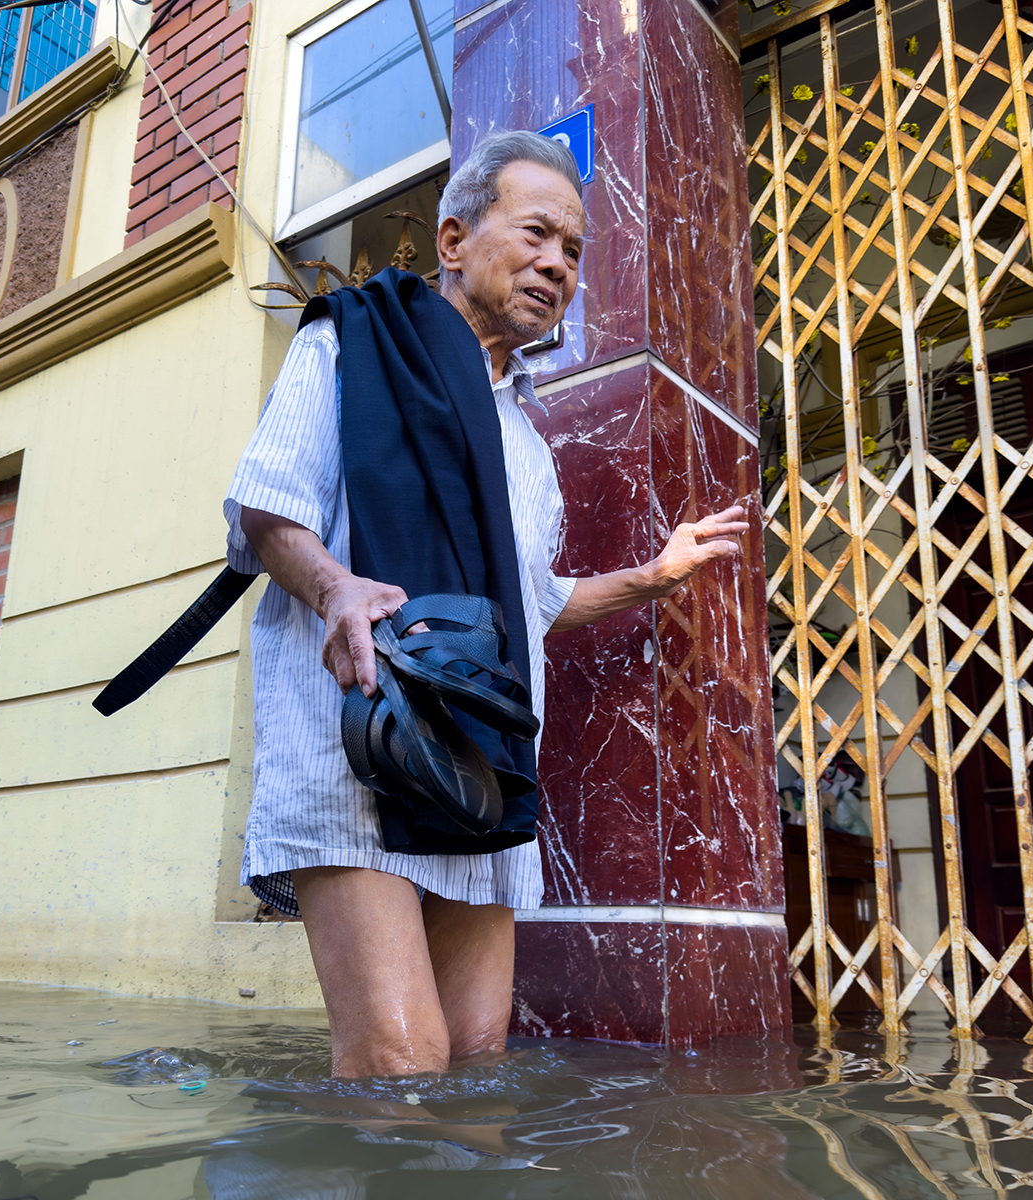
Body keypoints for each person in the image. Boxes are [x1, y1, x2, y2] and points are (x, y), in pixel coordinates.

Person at [225, 130, 749, 1078]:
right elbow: (270, 505)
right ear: (455, 238)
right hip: (360, 741)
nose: (557, 263)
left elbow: (531, 606)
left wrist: (653, 577)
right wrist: (336, 586)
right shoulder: (348, 341)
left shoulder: (529, 448)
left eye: (575, 251)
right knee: (402, 1058)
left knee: (476, 1058)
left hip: (479, 761)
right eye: (538, 233)